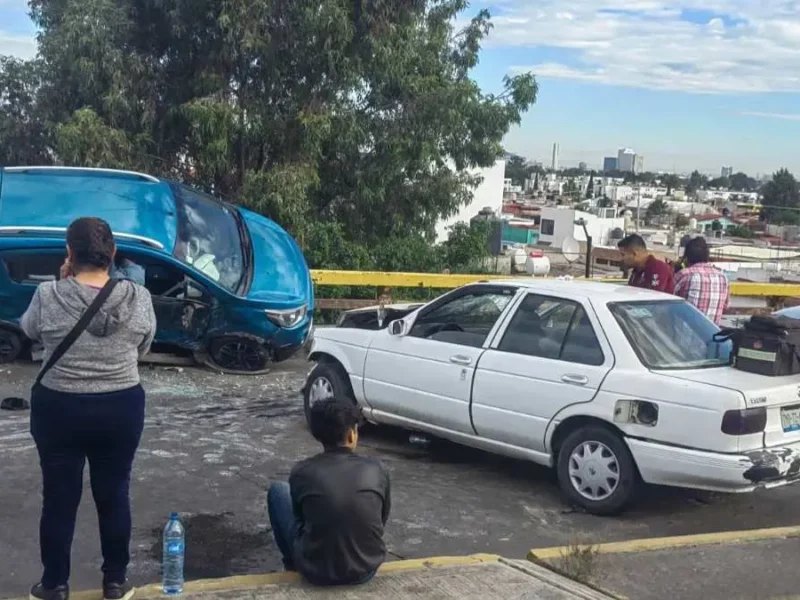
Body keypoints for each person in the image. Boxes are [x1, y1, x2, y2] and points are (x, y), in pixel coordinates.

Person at [21, 217, 157, 600]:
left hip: (59, 409)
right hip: (120, 407)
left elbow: (30, 330)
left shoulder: (49, 295)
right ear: (111, 254)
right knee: (114, 494)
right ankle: (115, 582)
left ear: (69, 254)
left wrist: (63, 283)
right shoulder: (139, 298)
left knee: (59, 499)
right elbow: (143, 347)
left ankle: (54, 585)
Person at [267, 399, 391, 586]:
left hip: (315, 573)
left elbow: (301, 519)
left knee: (278, 491)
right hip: (366, 570)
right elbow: (381, 519)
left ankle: (292, 564)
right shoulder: (377, 470)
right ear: (351, 435)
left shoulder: (302, 471)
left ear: (317, 435)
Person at [674, 236, 730, 324]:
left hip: (683, 335)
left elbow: (667, 301)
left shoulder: (684, 275)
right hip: (710, 335)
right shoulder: (722, 277)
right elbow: (726, 306)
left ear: (687, 258)